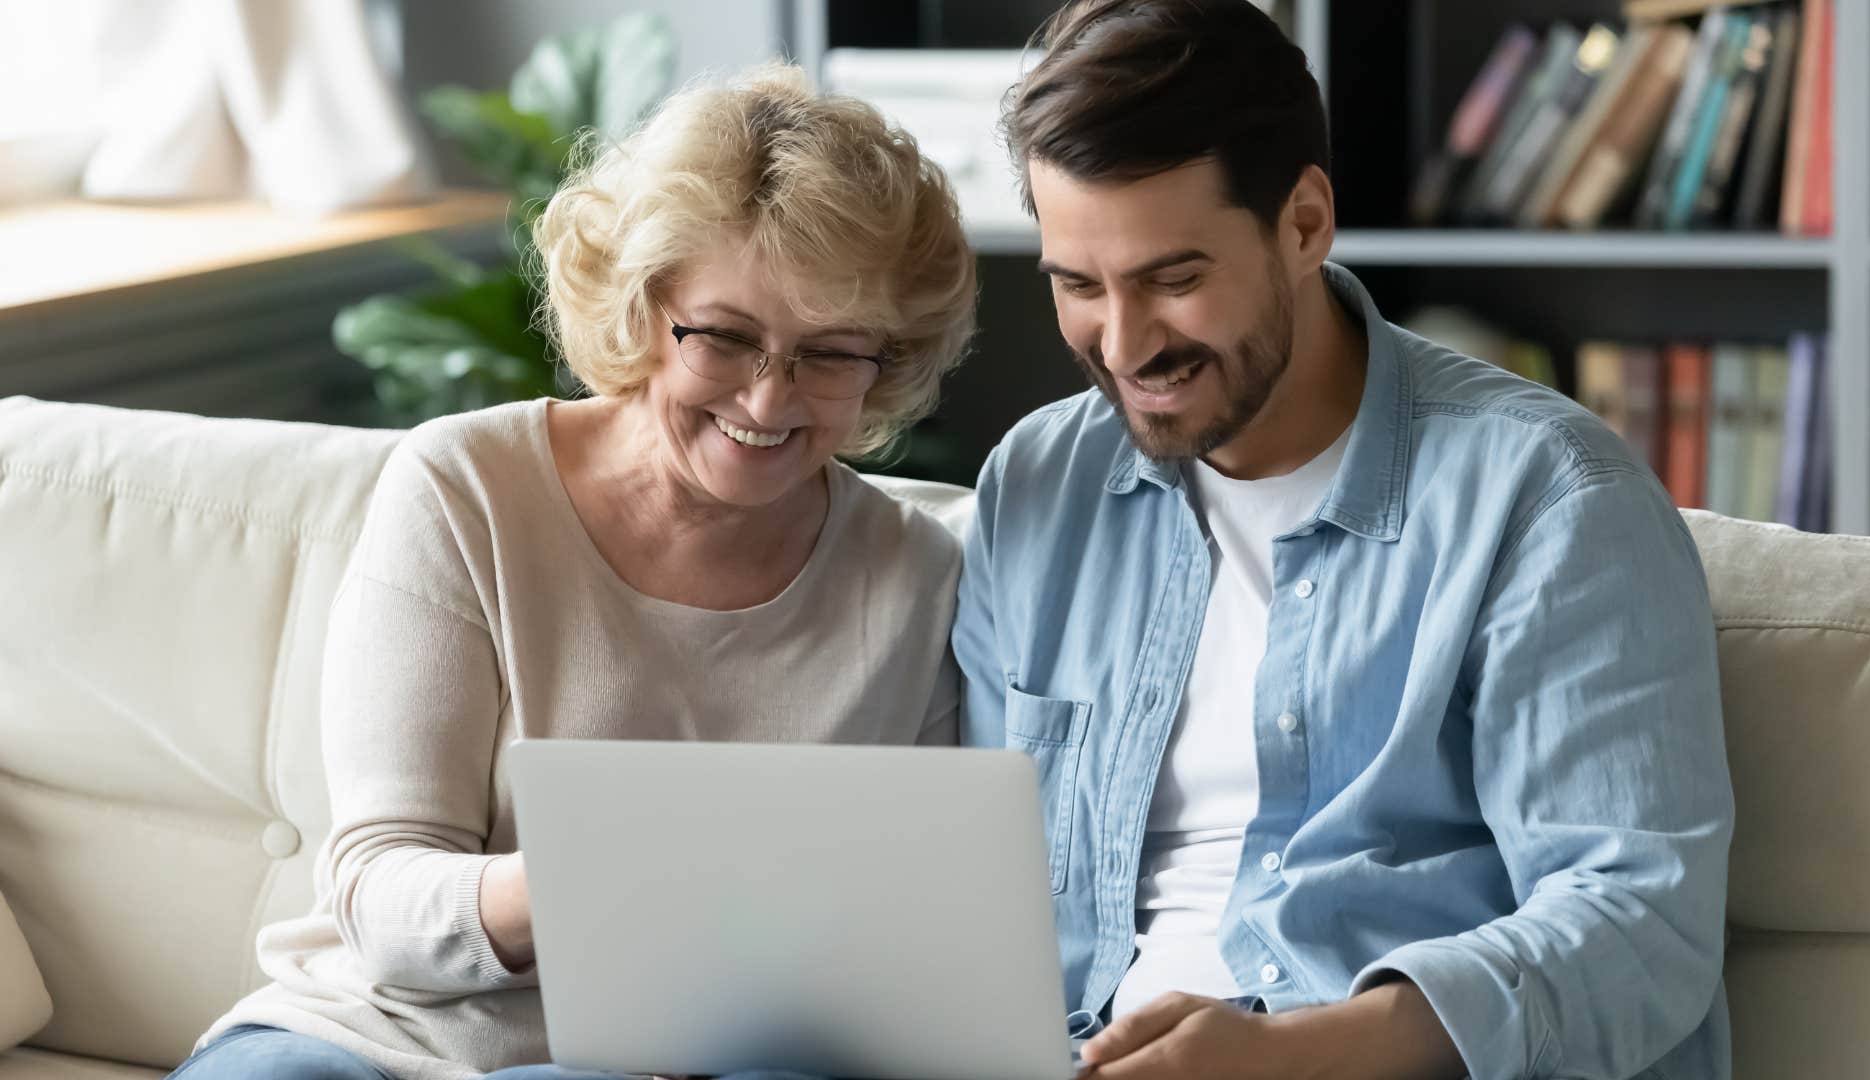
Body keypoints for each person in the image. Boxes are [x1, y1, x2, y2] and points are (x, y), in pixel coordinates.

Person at [954, 2, 1735, 1078]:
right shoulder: (1039, 488)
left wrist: (1294, 1058)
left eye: (1175, 280)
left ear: (1306, 222)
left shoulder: (1545, 498)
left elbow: (1640, 927)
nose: (1125, 345)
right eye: (1078, 286)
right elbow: (983, 892)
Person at [168, 63, 976, 1080]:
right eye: (725, 339)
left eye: (829, 354)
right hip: (374, 1036)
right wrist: (592, 873)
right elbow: (377, 897)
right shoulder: (466, 488)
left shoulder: (916, 577)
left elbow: (917, 933)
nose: (769, 402)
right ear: (644, 310)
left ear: (888, 361)